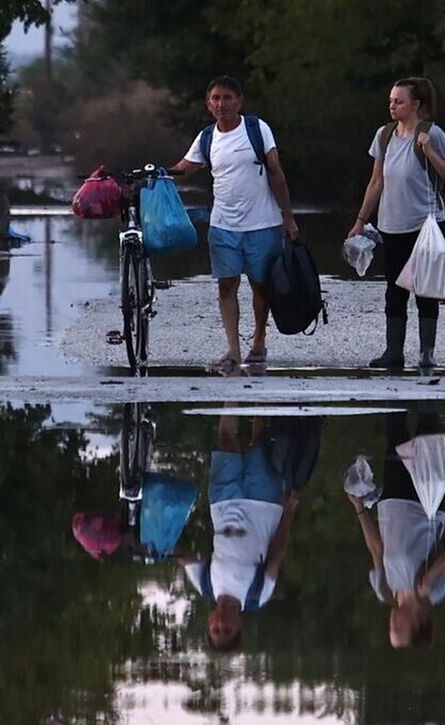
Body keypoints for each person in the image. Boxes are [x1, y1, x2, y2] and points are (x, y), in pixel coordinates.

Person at [173, 76, 300, 375]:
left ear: (239, 101)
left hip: (263, 223)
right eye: (215, 98)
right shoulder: (207, 138)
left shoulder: (257, 129)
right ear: (208, 104)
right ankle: (233, 349)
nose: (221, 104)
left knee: (260, 286)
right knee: (226, 285)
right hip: (223, 225)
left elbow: (276, 173)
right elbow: (184, 168)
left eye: (228, 97)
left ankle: (259, 340)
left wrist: (288, 217)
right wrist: (153, 178)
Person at [346, 77, 445, 371]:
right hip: (391, 224)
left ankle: (426, 353)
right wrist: (361, 220)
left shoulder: (432, 134)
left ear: (417, 105)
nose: (392, 106)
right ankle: (393, 351)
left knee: (425, 289)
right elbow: (376, 182)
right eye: (391, 101)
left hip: (425, 225)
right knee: (394, 289)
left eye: (399, 101)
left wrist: (430, 153)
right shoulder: (384, 135)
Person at [178, 410, 300, 651]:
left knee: (225, 440)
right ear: (239, 625)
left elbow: (186, 558)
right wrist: (289, 512)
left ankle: (232, 380)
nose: (221, 624)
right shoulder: (257, 595)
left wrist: (158, 548)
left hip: (223, 503)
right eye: (227, 630)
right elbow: (276, 555)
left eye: (216, 629)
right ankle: (257, 380)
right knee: (259, 440)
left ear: (208, 622)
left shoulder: (206, 586)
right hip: (263, 503)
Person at [347, 408, 445, 648]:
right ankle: (429, 378)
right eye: (399, 628)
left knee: (394, 432)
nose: (392, 624)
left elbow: (376, 549)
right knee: (427, 431)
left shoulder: (385, 592)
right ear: (419, 623)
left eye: (391, 629)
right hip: (425, 502)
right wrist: (429, 577)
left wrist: (359, 508)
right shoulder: (434, 593)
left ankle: (391, 372)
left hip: (393, 503)